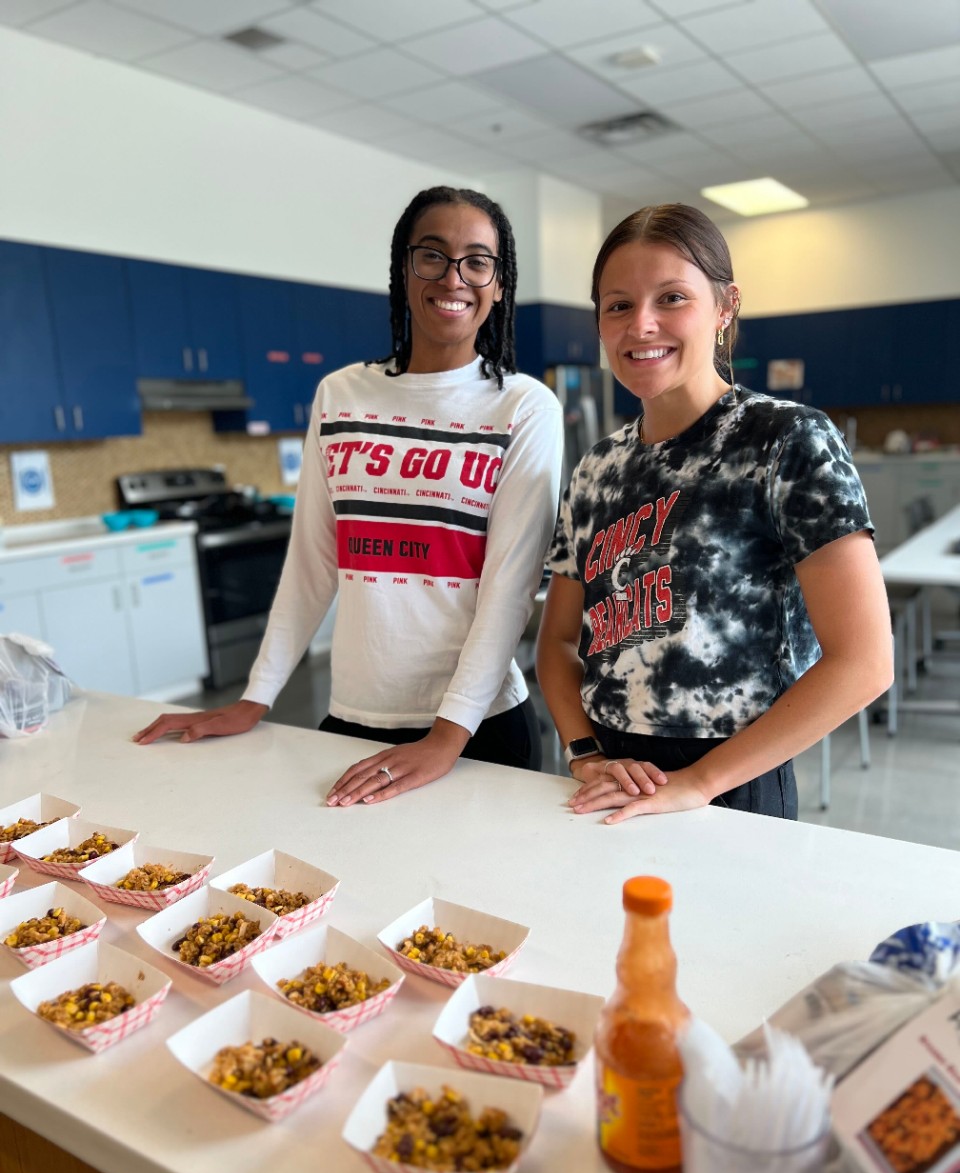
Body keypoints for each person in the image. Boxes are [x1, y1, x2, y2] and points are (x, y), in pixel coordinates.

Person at [136, 186, 563, 805]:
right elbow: (312, 563)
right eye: (433, 256)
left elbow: (509, 590)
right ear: (403, 268)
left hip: (478, 729)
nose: (455, 277)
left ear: (499, 284)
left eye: (477, 261)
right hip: (353, 721)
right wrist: (257, 696)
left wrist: (446, 738)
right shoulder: (341, 396)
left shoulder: (524, 406)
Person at [535, 203, 892, 825]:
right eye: (618, 305)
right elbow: (560, 641)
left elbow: (864, 662)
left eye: (671, 297)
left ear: (725, 307)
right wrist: (584, 752)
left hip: (733, 780)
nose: (641, 325)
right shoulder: (596, 468)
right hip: (606, 778)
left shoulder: (784, 441)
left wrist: (700, 783)